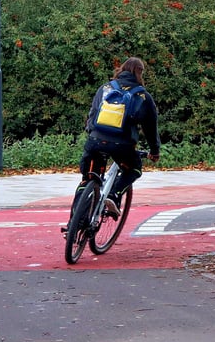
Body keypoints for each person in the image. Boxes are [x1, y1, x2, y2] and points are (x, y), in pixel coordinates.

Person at [68, 57, 160, 227]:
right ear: (140, 73)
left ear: (122, 69)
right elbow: (150, 127)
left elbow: (93, 113)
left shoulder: (105, 88)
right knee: (133, 169)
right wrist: (154, 151)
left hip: (95, 140)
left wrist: (92, 134)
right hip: (122, 146)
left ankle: (74, 224)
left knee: (88, 178)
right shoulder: (143, 96)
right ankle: (113, 195)